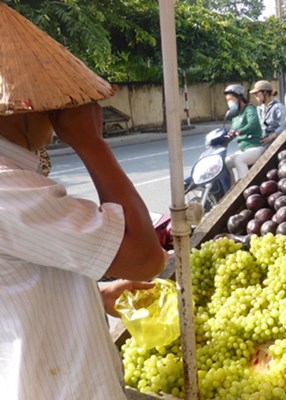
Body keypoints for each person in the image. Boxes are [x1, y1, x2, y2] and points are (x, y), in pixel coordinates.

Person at [0, 5, 165, 398]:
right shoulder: (9, 189)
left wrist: (98, 295)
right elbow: (146, 257)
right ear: (22, 110)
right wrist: (92, 144)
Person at [223, 84, 264, 181]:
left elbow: (252, 124)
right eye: (227, 100)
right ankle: (231, 190)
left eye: (231, 99)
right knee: (225, 163)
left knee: (239, 160)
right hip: (243, 150)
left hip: (255, 147)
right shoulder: (236, 114)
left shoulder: (249, 109)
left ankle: (245, 188)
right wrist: (224, 138)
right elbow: (232, 131)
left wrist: (240, 131)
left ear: (239, 97)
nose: (229, 102)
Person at [250, 80, 286, 146]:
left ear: (265, 93)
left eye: (257, 93)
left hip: (277, 143)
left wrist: (270, 138)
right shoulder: (260, 109)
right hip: (264, 142)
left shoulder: (278, 107)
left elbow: (285, 126)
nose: (255, 96)